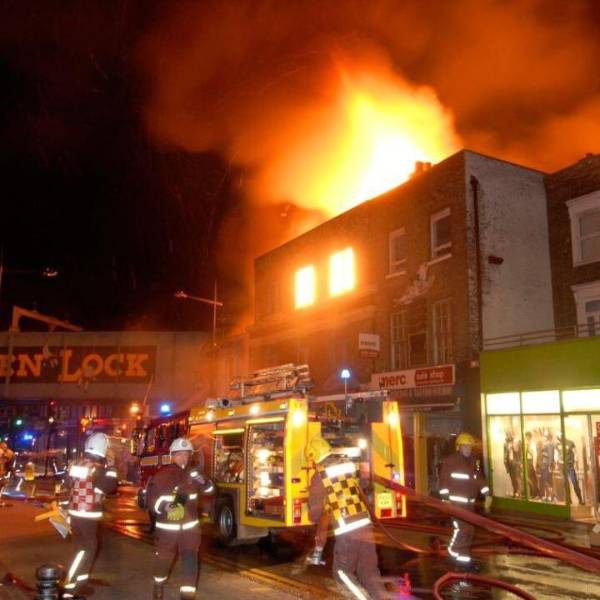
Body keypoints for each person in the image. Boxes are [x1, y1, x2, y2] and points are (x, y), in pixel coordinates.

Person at [306, 436, 386, 600]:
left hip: (347, 530)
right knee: (369, 572)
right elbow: (363, 485)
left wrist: (315, 517)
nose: (312, 464)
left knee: (342, 574)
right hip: (365, 525)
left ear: (314, 456)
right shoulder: (349, 465)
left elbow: (316, 513)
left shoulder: (319, 476)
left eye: (312, 460)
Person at [147, 437, 214, 600]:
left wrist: (204, 482)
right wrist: (165, 506)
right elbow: (151, 501)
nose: (183, 458)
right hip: (168, 529)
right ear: (172, 456)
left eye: (186, 454)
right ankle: (158, 584)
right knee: (163, 560)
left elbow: (210, 490)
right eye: (179, 454)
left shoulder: (194, 474)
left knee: (190, 559)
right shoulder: (161, 476)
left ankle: (187, 595)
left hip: (190, 528)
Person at [62, 432, 118, 598]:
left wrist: (64, 507)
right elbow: (110, 486)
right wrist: (112, 467)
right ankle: (69, 586)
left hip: (75, 512)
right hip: (87, 514)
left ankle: (81, 583)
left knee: (80, 547)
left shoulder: (78, 464)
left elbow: (68, 485)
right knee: (87, 550)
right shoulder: (97, 468)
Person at [438, 432, 490, 567]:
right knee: (462, 529)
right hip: (456, 503)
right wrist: (445, 500)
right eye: (465, 446)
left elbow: (478, 478)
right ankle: (456, 555)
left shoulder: (474, 461)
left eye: (470, 446)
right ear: (459, 447)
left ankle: (460, 557)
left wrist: (487, 493)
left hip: (469, 504)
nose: (468, 449)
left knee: (469, 531)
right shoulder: (451, 461)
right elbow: (443, 481)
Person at [503, 431, 522, 497]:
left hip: (516, 462)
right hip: (509, 463)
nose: (508, 436)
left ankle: (519, 492)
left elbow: (520, 452)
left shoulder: (517, 441)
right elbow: (505, 453)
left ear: (512, 435)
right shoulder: (505, 443)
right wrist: (505, 462)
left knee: (517, 478)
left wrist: (521, 462)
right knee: (512, 478)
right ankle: (515, 491)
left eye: (509, 434)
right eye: (507, 435)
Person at [524, 432, 540, 498]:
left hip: (531, 462)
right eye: (526, 436)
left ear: (530, 437)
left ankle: (534, 493)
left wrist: (534, 464)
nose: (527, 438)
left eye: (528, 436)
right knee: (531, 478)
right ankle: (533, 493)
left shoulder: (532, 444)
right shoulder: (527, 443)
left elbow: (535, 455)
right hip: (527, 461)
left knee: (530, 478)